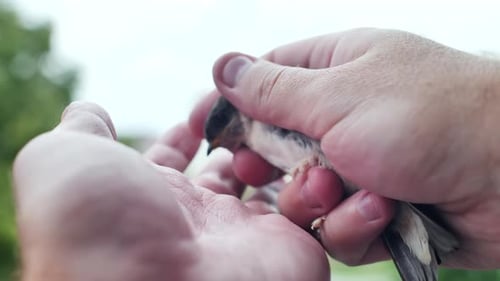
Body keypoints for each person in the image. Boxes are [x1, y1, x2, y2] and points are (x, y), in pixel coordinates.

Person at [13, 28, 500, 280]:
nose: (222, 149)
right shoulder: (252, 148)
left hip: (386, 186)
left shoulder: (260, 119)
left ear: (230, 123)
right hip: (384, 193)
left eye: (220, 138)